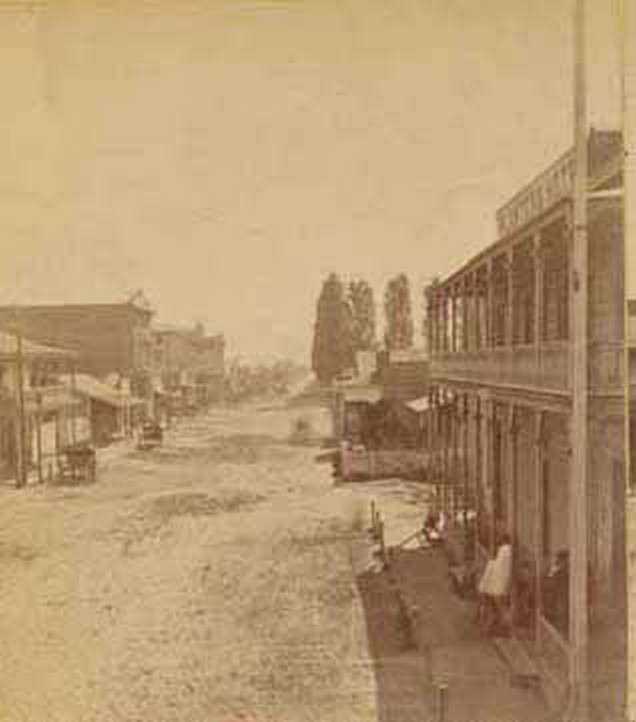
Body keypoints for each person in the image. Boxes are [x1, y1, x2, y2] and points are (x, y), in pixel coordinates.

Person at [478, 532, 512, 636]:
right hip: (498, 586)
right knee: (499, 608)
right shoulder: (506, 552)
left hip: (492, 587)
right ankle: (501, 628)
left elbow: (487, 576)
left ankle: (501, 628)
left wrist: (482, 588)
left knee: (497, 609)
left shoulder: (499, 555)